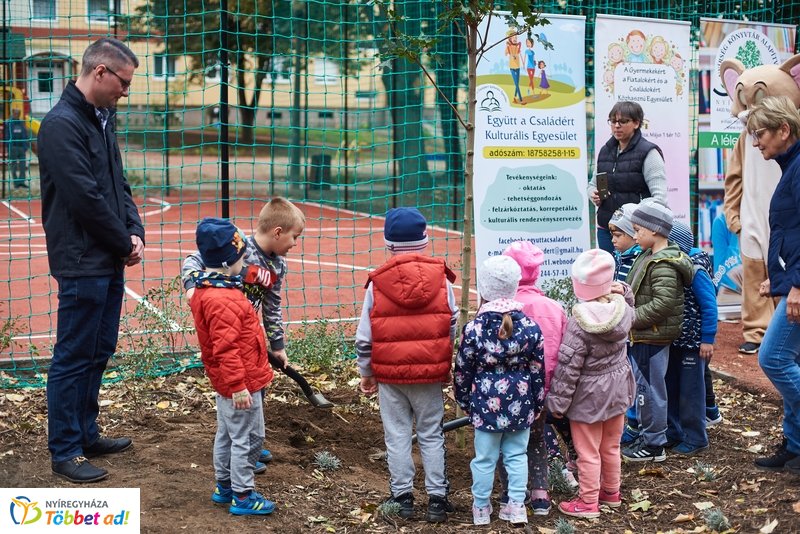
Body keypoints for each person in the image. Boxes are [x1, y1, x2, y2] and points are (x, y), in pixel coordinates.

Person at [39, 37, 144, 483]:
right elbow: (85, 197)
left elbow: (117, 181)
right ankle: (64, 449)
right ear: (99, 72)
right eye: (123, 82)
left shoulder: (104, 117)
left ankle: (85, 432)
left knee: (100, 348)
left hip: (108, 255)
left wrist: (134, 229)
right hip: (82, 257)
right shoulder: (61, 125)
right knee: (74, 354)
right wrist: (123, 242)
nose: (125, 91)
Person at [183, 196, 305, 470]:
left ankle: (251, 443)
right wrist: (191, 286)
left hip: (250, 333)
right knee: (237, 388)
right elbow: (193, 259)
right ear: (277, 232)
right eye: (295, 237)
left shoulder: (277, 266)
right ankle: (241, 452)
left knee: (257, 386)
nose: (295, 244)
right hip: (226, 331)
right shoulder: (237, 249)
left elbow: (272, 307)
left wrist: (277, 344)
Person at [355, 207, 458, 523]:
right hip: (428, 375)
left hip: (390, 375)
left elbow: (364, 337)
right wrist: (444, 359)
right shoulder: (442, 278)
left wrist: (366, 371)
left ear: (388, 245)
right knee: (431, 432)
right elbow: (451, 323)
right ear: (425, 241)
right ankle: (437, 498)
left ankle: (403, 498)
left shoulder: (377, 283)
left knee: (397, 434)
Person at [188, 218, 276, 516]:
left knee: (227, 434)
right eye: (241, 257)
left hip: (232, 381)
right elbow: (225, 348)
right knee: (248, 438)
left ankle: (224, 486)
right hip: (241, 384)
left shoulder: (210, 288)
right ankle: (243, 495)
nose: (245, 262)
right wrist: (239, 386)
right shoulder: (222, 299)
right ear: (228, 261)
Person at [454, 255, 544, 526]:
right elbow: (538, 369)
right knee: (517, 455)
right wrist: (537, 403)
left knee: (484, 458)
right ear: (514, 286)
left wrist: (465, 401)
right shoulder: (530, 327)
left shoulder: (474, 329)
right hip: (521, 400)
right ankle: (516, 506)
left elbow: (462, 370)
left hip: (485, 404)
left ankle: (480, 508)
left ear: (483, 288)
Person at [546, 249, 635, 519]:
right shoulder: (623, 311)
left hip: (589, 397)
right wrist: (623, 289)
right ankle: (611, 492)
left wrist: (557, 403)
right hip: (618, 388)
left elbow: (568, 368)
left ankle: (588, 502)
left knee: (587, 451)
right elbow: (630, 302)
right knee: (611, 445)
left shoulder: (579, 323)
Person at [743, 96, 800, 472]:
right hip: (789, 283)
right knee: (791, 359)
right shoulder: (789, 166)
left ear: (784, 129)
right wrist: (776, 280)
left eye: (759, 133)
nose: (755, 142)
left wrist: (797, 286)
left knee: (774, 358)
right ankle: (795, 446)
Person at [497, 241, 568, 516]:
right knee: (536, 441)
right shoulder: (554, 307)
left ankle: (510, 494)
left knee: (506, 442)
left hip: (507, 392)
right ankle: (540, 494)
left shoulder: (500, 312)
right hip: (542, 391)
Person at [622, 200, 692, 462]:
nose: (635, 234)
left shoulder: (663, 263)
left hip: (651, 334)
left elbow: (663, 303)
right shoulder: (646, 256)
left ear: (654, 230)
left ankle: (654, 445)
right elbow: (637, 287)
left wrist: (630, 318)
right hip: (644, 333)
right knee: (644, 387)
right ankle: (648, 434)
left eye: (638, 229)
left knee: (650, 390)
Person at [666, 221, 718, 455]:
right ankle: (675, 431)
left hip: (693, 345)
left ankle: (696, 437)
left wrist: (707, 338)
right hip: (675, 341)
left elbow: (710, 306)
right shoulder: (671, 269)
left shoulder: (695, 272)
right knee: (673, 387)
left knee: (691, 392)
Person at [589, 101, 667, 254]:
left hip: (635, 233)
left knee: (633, 276)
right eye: (613, 121)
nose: (617, 126)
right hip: (606, 230)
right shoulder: (605, 151)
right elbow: (592, 184)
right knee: (611, 276)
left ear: (637, 123)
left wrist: (639, 224)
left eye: (623, 121)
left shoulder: (649, 153)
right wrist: (594, 194)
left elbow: (660, 198)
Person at [607, 203, 643, 446]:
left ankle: (636, 423)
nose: (613, 240)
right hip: (622, 329)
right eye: (611, 234)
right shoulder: (619, 258)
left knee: (635, 377)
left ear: (634, 234)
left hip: (634, 330)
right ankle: (629, 420)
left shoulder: (639, 260)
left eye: (618, 235)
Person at [4, 108, 31, 189]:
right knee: (14, 166)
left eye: (18, 113)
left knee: (23, 166)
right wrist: (9, 146)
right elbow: (6, 135)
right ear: (12, 113)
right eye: (15, 113)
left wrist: (25, 146)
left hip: (21, 148)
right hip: (13, 148)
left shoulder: (21, 123)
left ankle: (21, 182)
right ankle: (16, 183)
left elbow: (25, 135)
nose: (17, 114)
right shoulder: (9, 123)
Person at [505, 30, 524, 105]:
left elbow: (518, 53)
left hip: (518, 66)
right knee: (516, 84)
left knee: (517, 83)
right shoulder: (509, 46)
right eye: (513, 37)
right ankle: (521, 100)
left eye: (516, 37)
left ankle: (514, 97)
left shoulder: (517, 46)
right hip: (512, 66)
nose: (515, 39)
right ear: (510, 39)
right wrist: (507, 46)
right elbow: (506, 54)